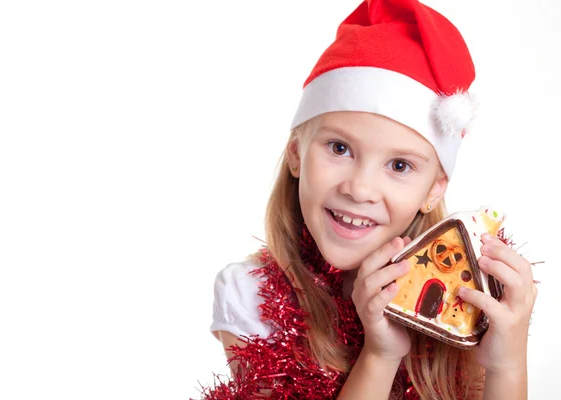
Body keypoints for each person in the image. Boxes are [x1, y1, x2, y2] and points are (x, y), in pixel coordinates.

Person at [203, 1, 537, 399]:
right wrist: (381, 355)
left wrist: (507, 364)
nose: (359, 189)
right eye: (339, 148)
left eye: (399, 165)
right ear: (296, 153)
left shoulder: (464, 293)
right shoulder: (251, 296)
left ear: (434, 189)